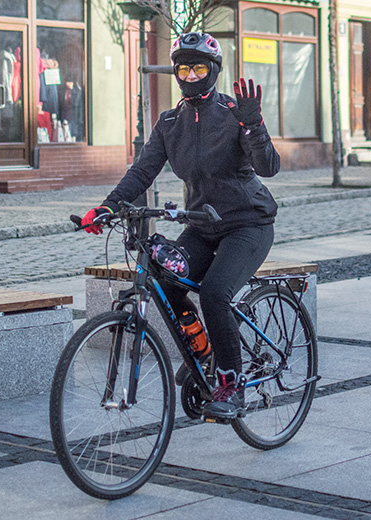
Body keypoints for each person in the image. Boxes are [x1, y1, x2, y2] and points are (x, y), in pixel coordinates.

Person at [81, 32, 280, 421]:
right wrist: (107, 207)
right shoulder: (170, 122)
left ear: (213, 70)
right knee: (168, 283)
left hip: (248, 223)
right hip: (202, 224)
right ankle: (203, 354)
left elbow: (268, 167)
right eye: (183, 69)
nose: (190, 76)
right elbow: (143, 171)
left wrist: (254, 125)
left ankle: (231, 384)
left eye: (199, 68)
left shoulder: (233, 113)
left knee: (215, 293)